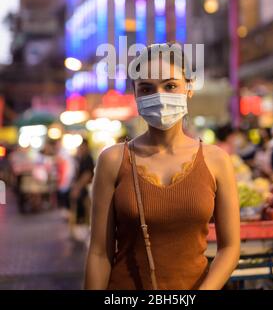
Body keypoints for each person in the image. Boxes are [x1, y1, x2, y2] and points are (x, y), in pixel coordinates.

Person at [84, 42, 240, 290]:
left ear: (189, 88)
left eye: (170, 85)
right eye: (146, 88)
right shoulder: (112, 160)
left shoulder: (216, 160)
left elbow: (230, 248)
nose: (159, 96)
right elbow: (99, 253)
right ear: (135, 95)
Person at [70, 139, 95, 225]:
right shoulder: (81, 158)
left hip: (87, 188)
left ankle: (82, 223)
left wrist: (77, 187)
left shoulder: (88, 158)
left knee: (82, 203)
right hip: (83, 187)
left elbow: (87, 175)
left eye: (82, 146)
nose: (81, 148)